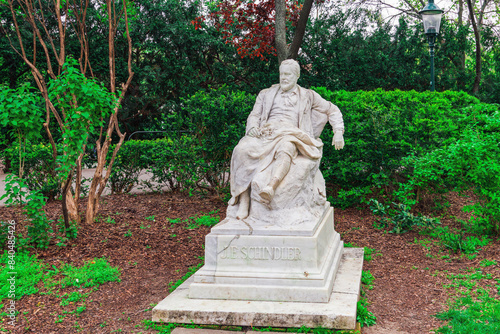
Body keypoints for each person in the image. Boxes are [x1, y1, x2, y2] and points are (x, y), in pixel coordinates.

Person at [229, 59, 345, 220]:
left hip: (292, 134)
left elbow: (332, 110)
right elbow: (254, 115)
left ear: (297, 76)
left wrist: (338, 131)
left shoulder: (308, 95)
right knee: (241, 149)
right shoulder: (266, 94)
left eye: (287, 74)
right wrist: (253, 128)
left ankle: (271, 187)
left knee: (287, 148)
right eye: (281, 74)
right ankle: (244, 199)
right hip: (266, 133)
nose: (283, 78)